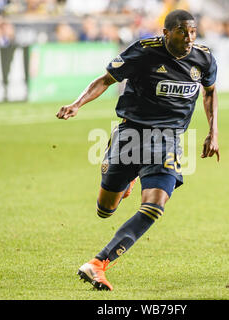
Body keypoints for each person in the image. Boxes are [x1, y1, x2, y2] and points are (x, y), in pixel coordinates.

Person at [56, 9, 220, 291]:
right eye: (182, 32)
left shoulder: (203, 58)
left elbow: (210, 92)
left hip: (168, 139)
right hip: (131, 133)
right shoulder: (144, 51)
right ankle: (125, 174)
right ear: (167, 33)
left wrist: (212, 131)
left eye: (193, 32)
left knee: (155, 205)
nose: (189, 38)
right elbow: (105, 80)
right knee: (105, 210)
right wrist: (77, 104)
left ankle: (98, 264)